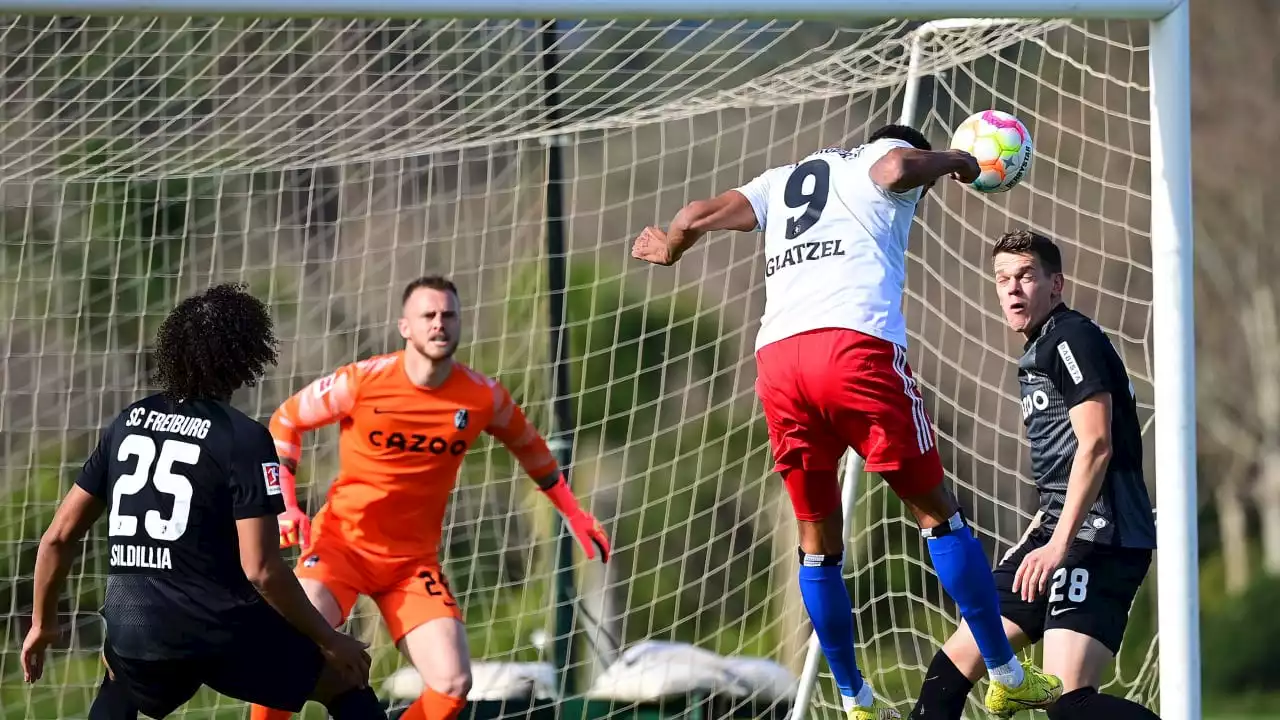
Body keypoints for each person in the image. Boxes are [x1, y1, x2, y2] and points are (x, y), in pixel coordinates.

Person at [631, 126, 1061, 720]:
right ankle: (1007, 673)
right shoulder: (885, 167)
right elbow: (893, 170)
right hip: (854, 350)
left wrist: (673, 247)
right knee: (938, 514)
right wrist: (960, 160)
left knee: (816, 545)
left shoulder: (781, 179)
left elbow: (694, 212)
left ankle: (855, 701)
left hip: (779, 363)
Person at [251, 275, 611, 720]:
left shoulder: (484, 397)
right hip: (340, 546)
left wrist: (574, 513)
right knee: (287, 648)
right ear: (406, 326)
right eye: (429, 315)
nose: (440, 323)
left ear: (460, 324)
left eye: (449, 315)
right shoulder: (363, 381)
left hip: (411, 564)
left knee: (452, 683)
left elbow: (533, 452)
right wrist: (286, 503)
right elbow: (285, 420)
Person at [20, 283, 385, 720]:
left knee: (117, 673)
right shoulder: (244, 437)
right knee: (345, 681)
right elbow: (262, 570)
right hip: (216, 629)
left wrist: (43, 624)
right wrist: (331, 639)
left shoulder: (127, 423)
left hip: (136, 628)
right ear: (245, 358)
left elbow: (58, 537)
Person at [908, 229, 1160, 720]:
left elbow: (1097, 444)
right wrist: (1035, 535)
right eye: (1002, 279)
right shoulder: (1040, 347)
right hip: (1056, 531)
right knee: (951, 668)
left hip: (1102, 538)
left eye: (1025, 276)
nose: (1012, 289)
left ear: (1056, 284)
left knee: (1068, 704)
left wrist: (1058, 543)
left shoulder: (1071, 338)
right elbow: (1062, 467)